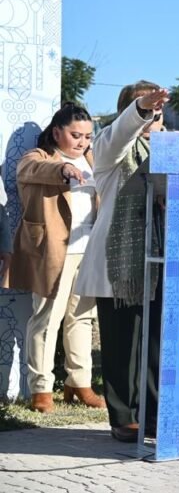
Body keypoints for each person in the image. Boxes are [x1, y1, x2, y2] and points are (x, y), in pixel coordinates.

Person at [74, 82, 170, 442]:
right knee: (123, 343)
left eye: (157, 109)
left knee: (156, 342)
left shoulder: (172, 152)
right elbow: (119, 135)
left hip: (163, 257)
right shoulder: (109, 147)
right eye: (146, 109)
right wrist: (140, 109)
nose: (153, 115)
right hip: (121, 265)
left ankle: (154, 413)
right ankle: (124, 416)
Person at [9, 104, 104, 413]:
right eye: (76, 135)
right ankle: (41, 388)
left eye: (87, 136)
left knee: (82, 318)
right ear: (56, 132)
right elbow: (30, 170)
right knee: (47, 319)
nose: (82, 142)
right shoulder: (38, 157)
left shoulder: (92, 159)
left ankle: (79, 382)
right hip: (53, 251)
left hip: (89, 249)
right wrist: (62, 170)